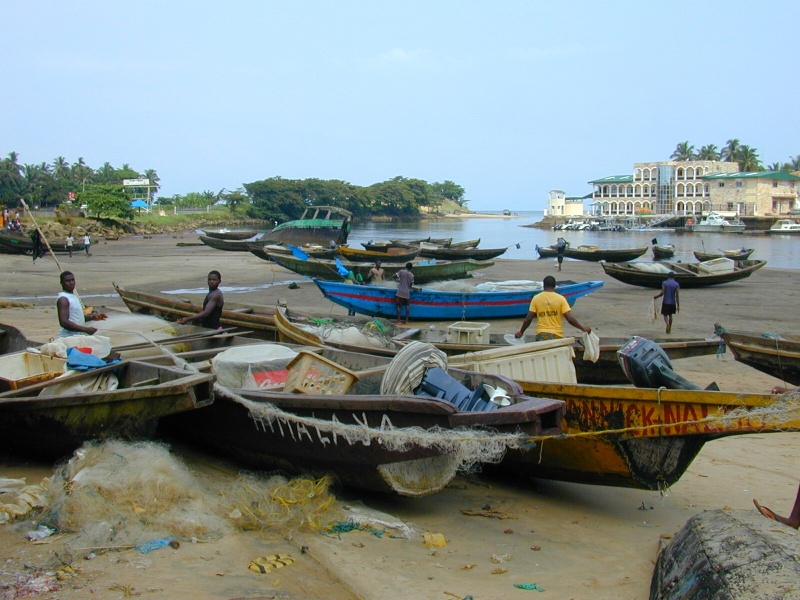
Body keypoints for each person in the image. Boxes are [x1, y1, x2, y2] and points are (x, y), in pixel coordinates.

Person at [514, 275, 591, 341]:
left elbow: (528, 318)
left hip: (541, 335)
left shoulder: (536, 298)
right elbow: (570, 319)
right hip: (556, 335)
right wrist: (582, 328)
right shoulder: (561, 299)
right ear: (554, 286)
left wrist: (521, 332)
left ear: (543, 285)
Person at [57, 271, 107, 337]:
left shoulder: (73, 296)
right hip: (68, 337)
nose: (71, 283)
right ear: (61, 283)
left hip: (77, 336)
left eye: (72, 280)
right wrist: (85, 329)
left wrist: (92, 317)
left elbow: (77, 318)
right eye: (67, 281)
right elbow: (64, 322)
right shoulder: (63, 299)